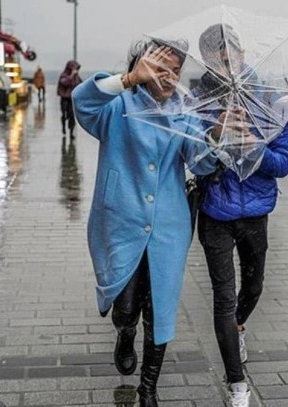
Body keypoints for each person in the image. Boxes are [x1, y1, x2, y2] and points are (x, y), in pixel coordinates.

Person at [72, 41, 218, 406]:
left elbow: (200, 164)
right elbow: (82, 102)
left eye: (175, 71)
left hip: (168, 226)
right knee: (126, 306)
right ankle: (124, 331)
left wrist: (215, 138)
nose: (169, 77)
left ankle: (148, 389)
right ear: (142, 67)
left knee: (161, 310)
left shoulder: (185, 112)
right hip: (120, 220)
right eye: (161, 68)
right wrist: (127, 79)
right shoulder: (118, 107)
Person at [194, 23, 288, 407]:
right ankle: (237, 384)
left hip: (256, 211)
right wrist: (216, 136)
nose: (224, 57)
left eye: (229, 50)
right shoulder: (198, 98)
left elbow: (283, 164)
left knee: (253, 288)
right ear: (207, 59)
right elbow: (193, 161)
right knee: (223, 297)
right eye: (215, 52)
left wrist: (253, 148)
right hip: (215, 210)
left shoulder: (268, 98)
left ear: (240, 53)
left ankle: (238, 327)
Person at [58, 60, 82, 137]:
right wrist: (71, 75)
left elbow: (81, 84)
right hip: (64, 98)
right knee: (64, 114)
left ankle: (71, 132)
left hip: (72, 99)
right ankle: (63, 126)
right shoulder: (64, 75)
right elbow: (64, 82)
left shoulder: (77, 77)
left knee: (72, 115)